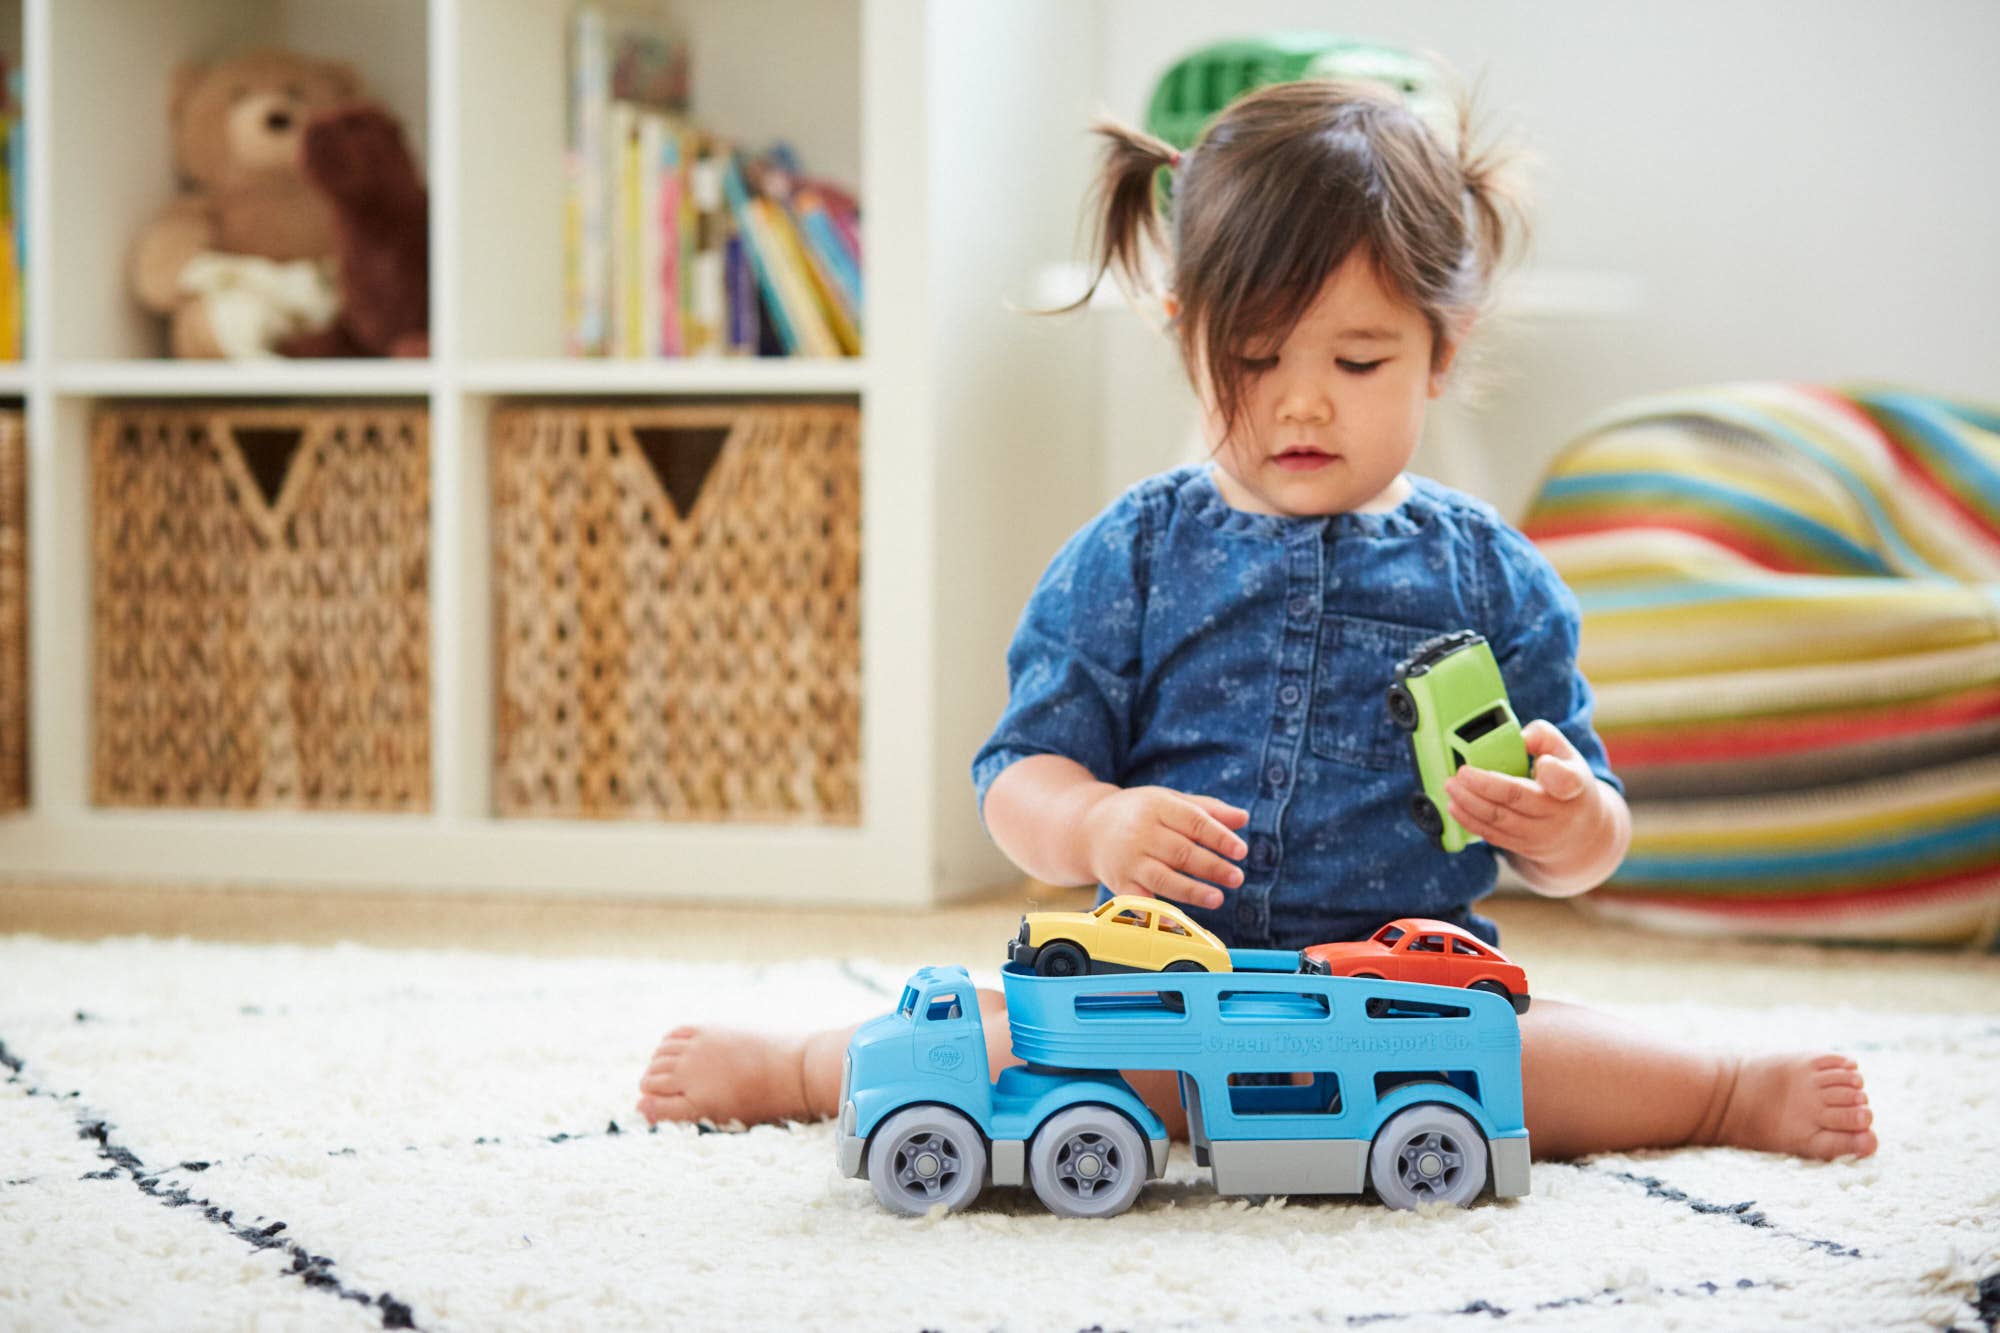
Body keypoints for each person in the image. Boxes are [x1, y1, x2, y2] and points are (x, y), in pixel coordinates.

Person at [637, 78, 1875, 1162]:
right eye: (1255, 357)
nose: (1302, 406)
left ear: (1441, 351)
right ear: (1184, 336)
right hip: (1161, 987)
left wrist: (1561, 821)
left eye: (1355, 363)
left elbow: (1591, 842)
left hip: (1401, 992)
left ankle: (1720, 1090)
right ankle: (804, 1066)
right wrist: (1099, 820)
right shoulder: (1131, 553)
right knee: (986, 1037)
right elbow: (1017, 776)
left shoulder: (1494, 577)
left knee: (1532, 1063)